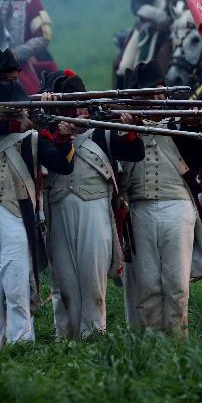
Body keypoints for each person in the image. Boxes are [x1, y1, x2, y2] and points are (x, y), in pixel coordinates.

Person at [42, 70, 143, 339]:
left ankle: (95, 334)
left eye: (84, 106)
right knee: (63, 281)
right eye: (75, 107)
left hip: (95, 209)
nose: (82, 113)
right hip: (59, 209)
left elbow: (135, 152)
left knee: (92, 280)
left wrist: (128, 128)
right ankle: (65, 336)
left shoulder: (102, 133)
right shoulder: (48, 133)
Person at [119, 61, 202, 333]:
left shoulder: (180, 121)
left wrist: (192, 124)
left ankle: (178, 338)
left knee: (176, 283)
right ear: (135, 97)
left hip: (177, 206)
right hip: (140, 208)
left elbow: (200, 156)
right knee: (148, 284)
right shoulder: (119, 124)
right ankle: (153, 339)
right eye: (149, 94)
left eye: (159, 92)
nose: (156, 98)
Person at [0, 76, 75, 353]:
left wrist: (63, 134)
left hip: (17, 217)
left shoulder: (31, 138)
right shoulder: (7, 127)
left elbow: (62, 165)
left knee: (17, 290)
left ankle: (21, 347)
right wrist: (18, 122)